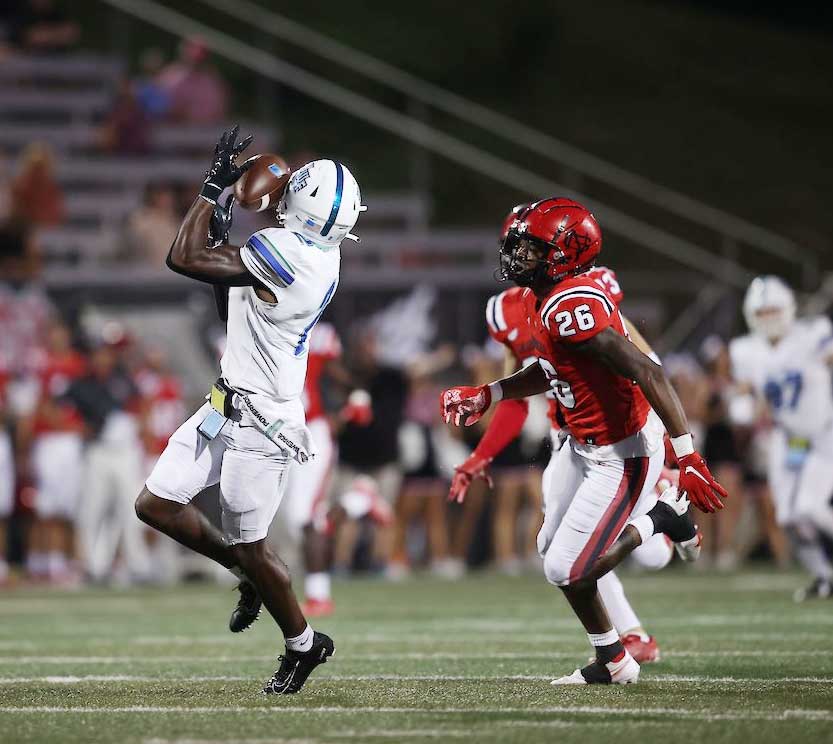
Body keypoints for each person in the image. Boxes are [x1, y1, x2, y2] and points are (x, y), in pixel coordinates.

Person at [441, 197, 726, 685]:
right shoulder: (536, 299)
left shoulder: (572, 304)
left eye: (531, 248)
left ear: (563, 254)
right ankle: (614, 658)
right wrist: (489, 393)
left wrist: (687, 454)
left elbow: (649, 370)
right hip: (579, 442)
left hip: (622, 452)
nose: (518, 255)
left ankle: (660, 518)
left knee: (567, 569)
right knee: (551, 547)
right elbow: (552, 369)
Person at [134, 127, 365, 694]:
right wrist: (224, 232)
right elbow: (231, 304)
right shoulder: (316, 254)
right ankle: (245, 574)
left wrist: (212, 189)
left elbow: (182, 257)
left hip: (262, 423)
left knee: (254, 547)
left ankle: (304, 643)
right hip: (227, 401)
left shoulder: (292, 254)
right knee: (156, 504)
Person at [729, 275, 833, 601]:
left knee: (810, 509)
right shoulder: (745, 350)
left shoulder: (812, 333)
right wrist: (745, 405)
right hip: (785, 439)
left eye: (774, 310)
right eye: (762, 312)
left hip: (822, 434)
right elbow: (748, 398)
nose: (768, 318)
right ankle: (824, 577)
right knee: (787, 517)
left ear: (788, 308)